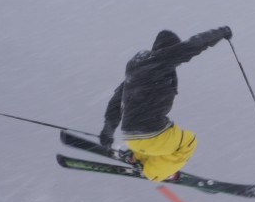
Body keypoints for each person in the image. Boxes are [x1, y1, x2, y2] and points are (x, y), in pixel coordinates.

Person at [99, 26, 232, 182]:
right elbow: (191, 46)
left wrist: (108, 131)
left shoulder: (136, 72)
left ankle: (138, 157)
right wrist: (220, 33)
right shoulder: (159, 62)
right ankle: (154, 172)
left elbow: (116, 102)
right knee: (188, 142)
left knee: (172, 133)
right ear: (168, 49)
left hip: (132, 136)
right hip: (150, 133)